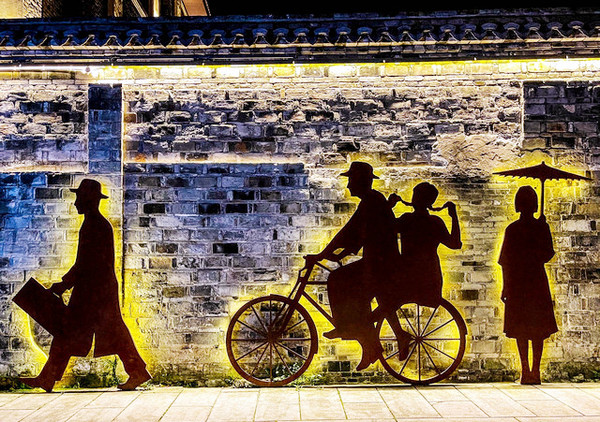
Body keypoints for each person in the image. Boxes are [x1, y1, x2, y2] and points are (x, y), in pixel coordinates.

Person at [19, 179, 151, 392]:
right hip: (96, 291)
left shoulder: (94, 226)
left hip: (95, 294)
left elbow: (85, 264)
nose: (76, 203)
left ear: (88, 200)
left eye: (79, 198)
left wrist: (63, 285)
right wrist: (65, 284)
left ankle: (137, 371)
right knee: (78, 332)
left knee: (85, 332)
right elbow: (86, 264)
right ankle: (48, 377)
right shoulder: (96, 224)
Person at [306, 162, 404, 370]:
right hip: (378, 261)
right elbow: (359, 233)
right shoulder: (373, 200)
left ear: (360, 181)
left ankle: (348, 328)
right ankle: (367, 342)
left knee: (338, 280)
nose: (349, 185)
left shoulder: (371, 201)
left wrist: (323, 254)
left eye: (351, 180)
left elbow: (350, 231)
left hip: (381, 264)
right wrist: (337, 252)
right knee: (349, 285)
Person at [498, 185, 557, 385]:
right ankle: (535, 370)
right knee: (537, 328)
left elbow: (505, 261)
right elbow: (548, 254)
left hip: (517, 281)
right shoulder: (540, 227)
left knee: (521, 328)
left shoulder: (512, 229)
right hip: (536, 280)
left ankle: (525, 370)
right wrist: (543, 230)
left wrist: (505, 286)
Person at [387, 182, 462, 307]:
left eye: (415, 195)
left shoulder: (407, 219)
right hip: (430, 274)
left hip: (408, 273)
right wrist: (453, 216)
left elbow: (386, 227)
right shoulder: (435, 222)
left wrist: (389, 206)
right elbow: (455, 244)